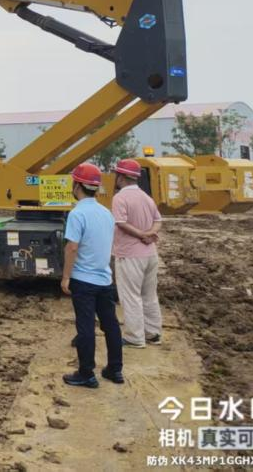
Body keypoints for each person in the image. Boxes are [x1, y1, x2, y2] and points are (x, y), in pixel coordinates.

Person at [62, 162, 124, 388]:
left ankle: (86, 373)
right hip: (104, 279)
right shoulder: (106, 213)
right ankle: (115, 369)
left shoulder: (77, 214)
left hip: (83, 280)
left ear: (77, 185)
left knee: (86, 327)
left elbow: (72, 247)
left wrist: (66, 277)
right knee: (111, 325)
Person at [111, 158, 163, 348]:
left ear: (121, 177)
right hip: (150, 254)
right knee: (149, 295)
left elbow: (120, 223)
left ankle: (135, 337)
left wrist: (141, 234)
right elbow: (158, 220)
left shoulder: (120, 198)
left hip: (130, 254)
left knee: (130, 296)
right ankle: (153, 333)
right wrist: (149, 234)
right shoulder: (146, 197)